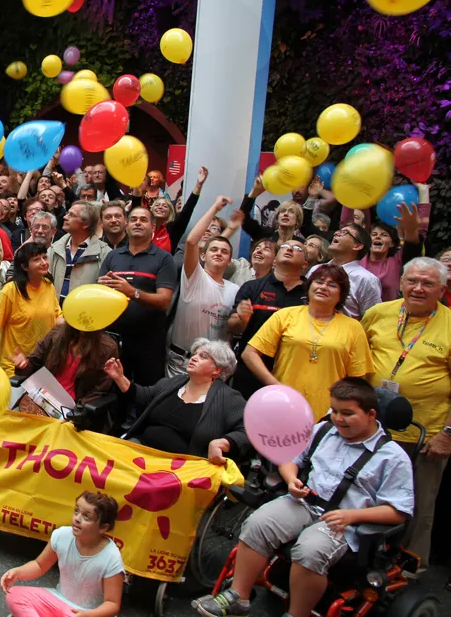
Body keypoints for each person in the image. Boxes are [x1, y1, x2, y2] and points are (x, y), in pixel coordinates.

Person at [193, 378, 414, 617]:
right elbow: (289, 460)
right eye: (335, 411)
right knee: (258, 522)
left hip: (344, 521)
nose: (338, 419)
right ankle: (239, 597)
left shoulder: (393, 458)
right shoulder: (324, 431)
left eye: (347, 413)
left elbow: (398, 512)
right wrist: (291, 480)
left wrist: (352, 515)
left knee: (310, 550)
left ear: (371, 414)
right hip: (305, 503)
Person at [361, 257, 451, 568]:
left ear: (442, 289)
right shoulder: (378, 313)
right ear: (401, 283)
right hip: (371, 428)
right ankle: (361, 561)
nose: (418, 288)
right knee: (366, 493)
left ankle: (409, 568)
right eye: (412, 281)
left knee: (418, 504)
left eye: (428, 283)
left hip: (425, 434)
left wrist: (447, 434)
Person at [243, 264, 373, 421]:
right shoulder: (285, 315)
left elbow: (358, 378)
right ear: (309, 286)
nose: (323, 287)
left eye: (332, 285)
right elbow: (249, 353)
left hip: (328, 414)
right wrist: (274, 385)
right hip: (283, 405)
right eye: (319, 282)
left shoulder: (353, 327)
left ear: (341, 294)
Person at [105, 339, 250, 460]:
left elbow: (247, 432)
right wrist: (120, 378)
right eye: (194, 354)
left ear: (217, 370)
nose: (194, 358)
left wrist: (223, 443)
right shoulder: (174, 382)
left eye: (203, 356)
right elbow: (143, 396)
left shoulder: (229, 398)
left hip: (181, 467)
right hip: (140, 447)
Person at [1, 491, 124, 617]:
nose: (77, 518)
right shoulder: (62, 535)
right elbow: (39, 565)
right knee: (14, 595)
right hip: (57, 600)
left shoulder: (111, 557)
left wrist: (88, 615)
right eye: (76, 511)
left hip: (86, 613)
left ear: (103, 528)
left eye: (86, 517)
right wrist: (17, 573)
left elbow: (112, 604)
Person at [98, 206, 178, 398]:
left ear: (153, 227)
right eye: (133, 219)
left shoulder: (164, 258)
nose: (138, 223)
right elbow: (100, 293)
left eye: (143, 220)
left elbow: (164, 301)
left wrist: (132, 292)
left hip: (149, 341)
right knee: (113, 393)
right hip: (114, 339)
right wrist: (100, 289)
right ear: (126, 225)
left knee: (147, 394)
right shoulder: (113, 256)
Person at [167, 196, 239, 377]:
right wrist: (215, 208)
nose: (219, 253)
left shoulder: (235, 290)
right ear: (203, 256)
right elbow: (191, 242)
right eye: (213, 250)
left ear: (229, 260)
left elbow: (232, 332)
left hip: (214, 367)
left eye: (224, 252)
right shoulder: (194, 277)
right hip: (181, 363)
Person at [228, 239, 308, 398]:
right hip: (250, 373)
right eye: (285, 246)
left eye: (297, 248)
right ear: (275, 260)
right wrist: (242, 319)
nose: (289, 249)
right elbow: (233, 326)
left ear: (305, 264)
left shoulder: (310, 294)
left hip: (293, 374)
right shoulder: (252, 287)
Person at [0, 242, 62, 377]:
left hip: (43, 362)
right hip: (14, 365)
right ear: (24, 266)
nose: (43, 262)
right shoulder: (10, 290)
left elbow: (57, 317)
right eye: (36, 259)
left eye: (44, 257)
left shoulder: (48, 285)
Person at [13, 323, 119, 404]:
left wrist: (77, 412)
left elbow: (100, 391)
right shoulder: (56, 335)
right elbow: (34, 364)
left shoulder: (107, 348)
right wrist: (24, 365)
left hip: (73, 410)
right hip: (39, 398)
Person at [308, 223, 381, 319]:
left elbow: (372, 318)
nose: (336, 233)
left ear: (357, 246)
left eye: (345, 232)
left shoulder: (366, 279)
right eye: (338, 231)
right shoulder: (316, 269)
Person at [47, 201, 110, 304]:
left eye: (71, 215)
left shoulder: (105, 253)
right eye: (67, 213)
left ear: (86, 224)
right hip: (54, 311)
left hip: (85, 312)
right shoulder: (54, 248)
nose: (65, 217)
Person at [359, 204, 425, 302]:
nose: (378, 237)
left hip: (388, 310)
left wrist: (411, 229)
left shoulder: (396, 261)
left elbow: (413, 245)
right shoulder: (357, 258)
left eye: (384, 235)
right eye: (374, 234)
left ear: (392, 243)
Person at [151, 166, 208, 253]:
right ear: (151, 210)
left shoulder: (173, 229)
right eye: (157, 205)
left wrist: (198, 185)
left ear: (170, 212)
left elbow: (187, 210)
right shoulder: (145, 227)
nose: (160, 207)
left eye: (164, 206)